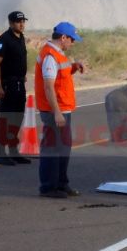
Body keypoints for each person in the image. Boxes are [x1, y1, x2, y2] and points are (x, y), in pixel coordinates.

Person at [35, 22, 86, 198]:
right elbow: (49, 87)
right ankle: (48, 187)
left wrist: (74, 67)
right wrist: (56, 112)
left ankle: (62, 184)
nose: (73, 42)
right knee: (52, 149)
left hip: (63, 108)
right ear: (63, 37)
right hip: (54, 111)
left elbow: (60, 76)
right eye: (72, 39)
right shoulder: (50, 56)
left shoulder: (58, 54)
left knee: (63, 148)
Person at [0, 11, 30, 165]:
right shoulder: (3, 40)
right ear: (10, 23)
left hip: (20, 84)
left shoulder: (21, 38)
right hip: (8, 85)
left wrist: (23, 75)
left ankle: (14, 151)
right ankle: (0, 153)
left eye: (23, 21)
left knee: (17, 117)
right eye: (18, 22)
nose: (21, 24)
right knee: (5, 118)